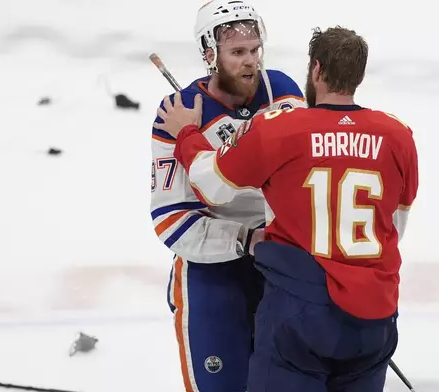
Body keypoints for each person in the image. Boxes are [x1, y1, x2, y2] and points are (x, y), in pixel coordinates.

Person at [159, 25, 419, 392]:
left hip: (302, 310)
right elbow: (393, 225)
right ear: (360, 74)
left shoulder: (280, 128)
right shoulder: (398, 134)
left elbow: (209, 182)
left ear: (315, 70)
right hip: (376, 316)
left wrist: (186, 134)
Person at [149, 0, 306, 390]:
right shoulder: (179, 111)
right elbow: (171, 219)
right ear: (209, 54)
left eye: (255, 50)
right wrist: (245, 238)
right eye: (237, 52)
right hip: (211, 272)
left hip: (282, 261)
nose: (250, 61)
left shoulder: (282, 90)